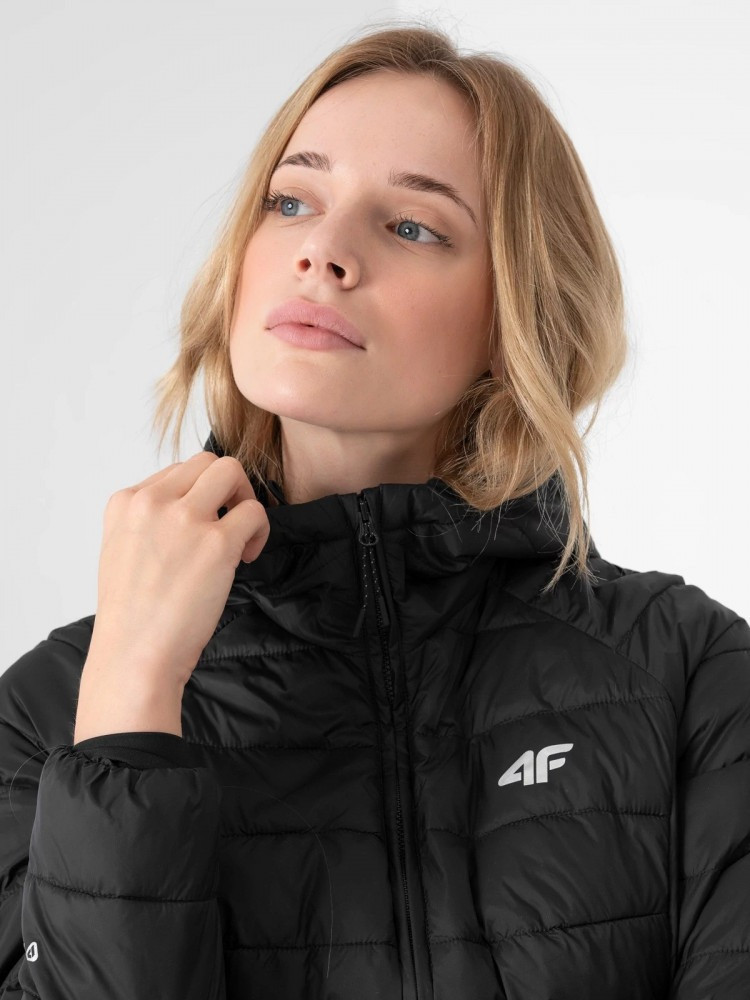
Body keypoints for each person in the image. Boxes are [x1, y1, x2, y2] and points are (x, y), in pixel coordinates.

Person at [1, 20, 748, 1000]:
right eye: (291, 201)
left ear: (517, 311)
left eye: (412, 226)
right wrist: (129, 713)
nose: (323, 251)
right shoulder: (50, 714)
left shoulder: (689, 671)